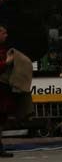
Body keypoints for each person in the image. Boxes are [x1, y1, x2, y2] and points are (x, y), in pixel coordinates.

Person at [0, 26, 15, 158]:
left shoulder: (3, 49)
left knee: (1, 119)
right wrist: (7, 62)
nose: (6, 36)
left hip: (3, 89)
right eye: (4, 33)